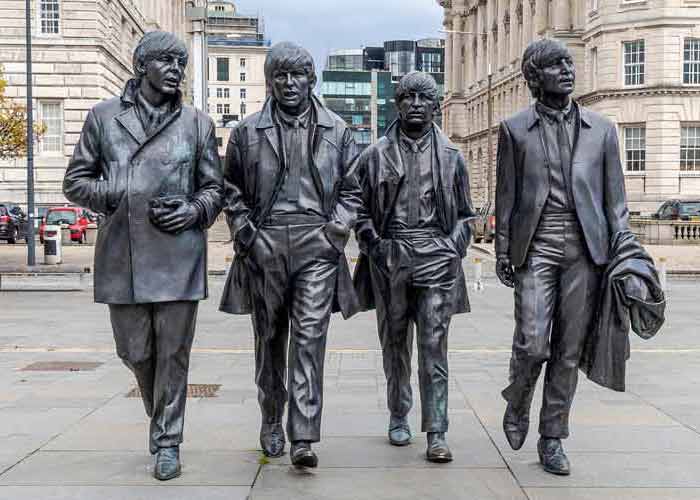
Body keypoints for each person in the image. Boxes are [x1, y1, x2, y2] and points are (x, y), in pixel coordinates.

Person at [63, 31, 224, 480]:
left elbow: (215, 189)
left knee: (174, 354)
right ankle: (161, 419)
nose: (176, 70)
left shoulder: (197, 123)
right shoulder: (104, 117)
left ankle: (168, 441)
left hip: (179, 253)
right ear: (142, 67)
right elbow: (75, 181)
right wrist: (116, 190)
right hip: (124, 256)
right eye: (167, 62)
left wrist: (194, 209)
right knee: (135, 351)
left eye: (181, 64)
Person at [219, 42, 362, 468]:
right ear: (270, 81)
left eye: (297, 75)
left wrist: (334, 233)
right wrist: (249, 236)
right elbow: (232, 192)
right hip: (265, 243)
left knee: (309, 338)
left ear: (311, 78)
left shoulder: (338, 130)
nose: (288, 83)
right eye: (279, 75)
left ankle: (303, 434)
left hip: (316, 244)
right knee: (269, 338)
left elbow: (353, 191)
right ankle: (270, 415)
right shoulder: (246, 132)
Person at [495, 38, 629, 476]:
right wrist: (501, 251)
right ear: (535, 77)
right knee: (533, 343)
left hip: (585, 250)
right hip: (536, 246)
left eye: (568, 63)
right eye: (555, 65)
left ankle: (552, 436)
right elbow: (508, 197)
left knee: (568, 349)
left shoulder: (602, 130)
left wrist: (622, 252)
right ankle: (517, 399)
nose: (567, 70)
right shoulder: (514, 129)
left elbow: (615, 204)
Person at [353, 71, 475, 463]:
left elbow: (466, 217)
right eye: (408, 98)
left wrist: (451, 248)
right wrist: (375, 245)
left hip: (436, 257)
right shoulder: (374, 155)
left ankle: (436, 429)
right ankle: (398, 413)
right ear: (397, 103)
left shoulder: (453, 156)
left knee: (433, 347)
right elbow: (356, 206)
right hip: (393, 255)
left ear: (436, 105)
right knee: (395, 344)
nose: (416, 105)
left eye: (424, 98)